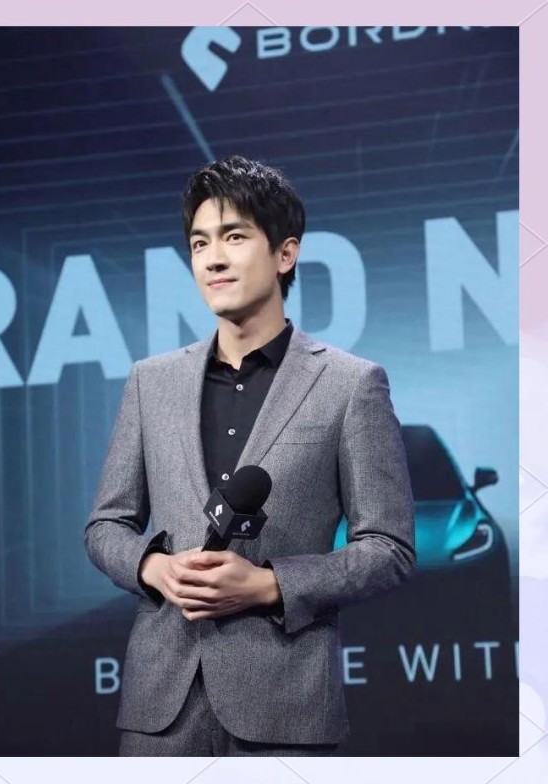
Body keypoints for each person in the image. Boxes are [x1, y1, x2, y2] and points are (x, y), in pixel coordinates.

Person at [84, 154, 415, 756]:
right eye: (199, 242)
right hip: (159, 711)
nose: (213, 258)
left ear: (285, 254)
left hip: (285, 707)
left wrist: (267, 585)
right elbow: (106, 524)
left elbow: (388, 548)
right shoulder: (150, 382)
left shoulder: (350, 384)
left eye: (234, 237)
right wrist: (154, 569)